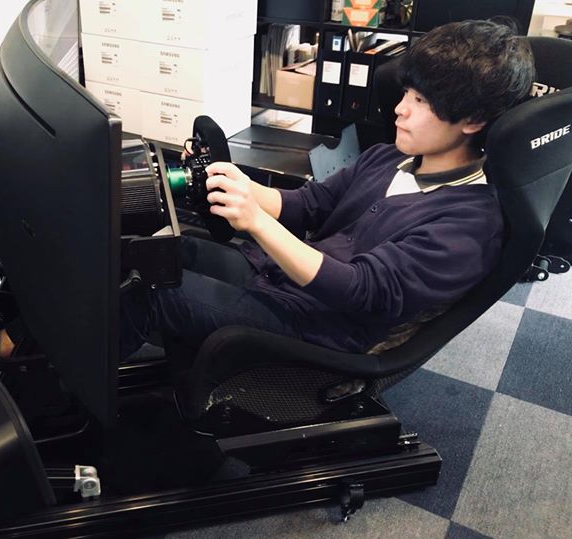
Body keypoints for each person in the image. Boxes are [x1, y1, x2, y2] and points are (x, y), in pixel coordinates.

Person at [120, 19, 535, 359]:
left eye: (422, 101)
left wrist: (257, 221)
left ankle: (86, 405)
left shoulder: (470, 227)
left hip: (317, 325)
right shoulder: (387, 157)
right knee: (153, 253)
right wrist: (237, 184)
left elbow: (360, 290)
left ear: (474, 120)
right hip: (277, 277)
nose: (400, 109)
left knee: (148, 295)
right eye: (408, 93)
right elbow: (309, 205)